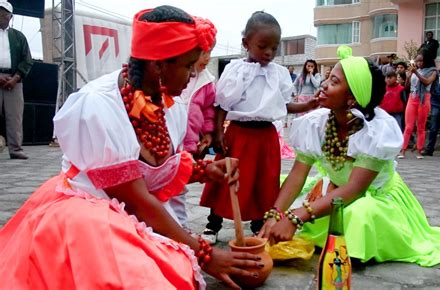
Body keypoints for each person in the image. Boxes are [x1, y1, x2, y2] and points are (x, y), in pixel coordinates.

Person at [0, 6, 264, 289]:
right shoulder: (97, 105)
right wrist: (204, 253)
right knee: (137, 280)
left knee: (173, 268)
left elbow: (156, 169)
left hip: (134, 211)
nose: (192, 76)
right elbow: (136, 198)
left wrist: (206, 169)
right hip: (90, 213)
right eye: (188, 65)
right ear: (158, 65)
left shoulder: (170, 105)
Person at [258, 45, 440, 267]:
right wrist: (275, 215)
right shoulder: (316, 123)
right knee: (277, 194)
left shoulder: (376, 130)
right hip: (336, 192)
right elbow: (297, 175)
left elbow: (355, 189)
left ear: (352, 99)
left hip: (375, 198)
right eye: (328, 78)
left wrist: (297, 216)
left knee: (358, 214)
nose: (324, 85)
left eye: (334, 82)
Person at [199, 11, 319, 244]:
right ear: (246, 43)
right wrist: (218, 133)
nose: (268, 53)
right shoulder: (235, 70)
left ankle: (258, 225)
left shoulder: (280, 74)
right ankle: (213, 224)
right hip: (239, 134)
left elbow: (285, 106)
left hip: (266, 137)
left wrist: (309, 105)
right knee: (226, 179)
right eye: (263, 46)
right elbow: (221, 105)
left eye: (274, 48)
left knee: (264, 182)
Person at [170, 43, 217, 229]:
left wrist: (207, 132)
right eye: (203, 53)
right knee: (168, 183)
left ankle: (180, 224)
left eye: (210, 52)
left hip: (192, 141)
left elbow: (208, 110)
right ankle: (171, 223)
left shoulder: (207, 81)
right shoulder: (175, 77)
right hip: (171, 141)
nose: (207, 57)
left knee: (181, 183)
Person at [0, 0, 32, 160]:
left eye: (3, 13)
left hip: (14, 80)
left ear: (10, 16)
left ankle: (16, 149)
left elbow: (27, 60)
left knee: (15, 116)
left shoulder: (18, 36)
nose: (0, 15)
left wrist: (16, 78)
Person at [398, 49, 438, 159]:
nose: (418, 63)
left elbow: (427, 82)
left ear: (426, 60)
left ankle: (420, 151)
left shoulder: (432, 71)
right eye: (417, 61)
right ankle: (403, 150)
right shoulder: (415, 71)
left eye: (421, 61)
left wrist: (416, 73)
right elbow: (406, 86)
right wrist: (410, 75)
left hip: (424, 99)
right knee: (408, 126)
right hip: (412, 97)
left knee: (420, 126)